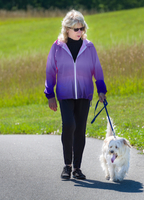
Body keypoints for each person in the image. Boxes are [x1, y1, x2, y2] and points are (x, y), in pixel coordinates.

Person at [44, 10, 107, 179]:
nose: (80, 32)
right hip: (65, 94)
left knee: (80, 130)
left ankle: (77, 168)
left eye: (81, 28)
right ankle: (67, 165)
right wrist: (49, 94)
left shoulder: (89, 47)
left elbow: (97, 70)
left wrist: (101, 89)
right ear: (67, 29)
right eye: (76, 29)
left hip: (84, 94)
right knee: (69, 125)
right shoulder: (57, 46)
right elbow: (50, 71)